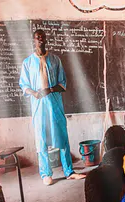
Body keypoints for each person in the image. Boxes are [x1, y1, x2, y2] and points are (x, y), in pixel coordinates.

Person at [19, 30, 85, 186]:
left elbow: (63, 84)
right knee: (41, 138)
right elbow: (24, 84)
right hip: (38, 106)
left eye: (42, 37)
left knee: (62, 136)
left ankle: (69, 171)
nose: (40, 40)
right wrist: (34, 93)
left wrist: (50, 89)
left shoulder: (55, 60)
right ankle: (46, 174)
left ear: (46, 39)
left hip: (54, 103)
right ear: (34, 40)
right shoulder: (28, 62)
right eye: (37, 38)